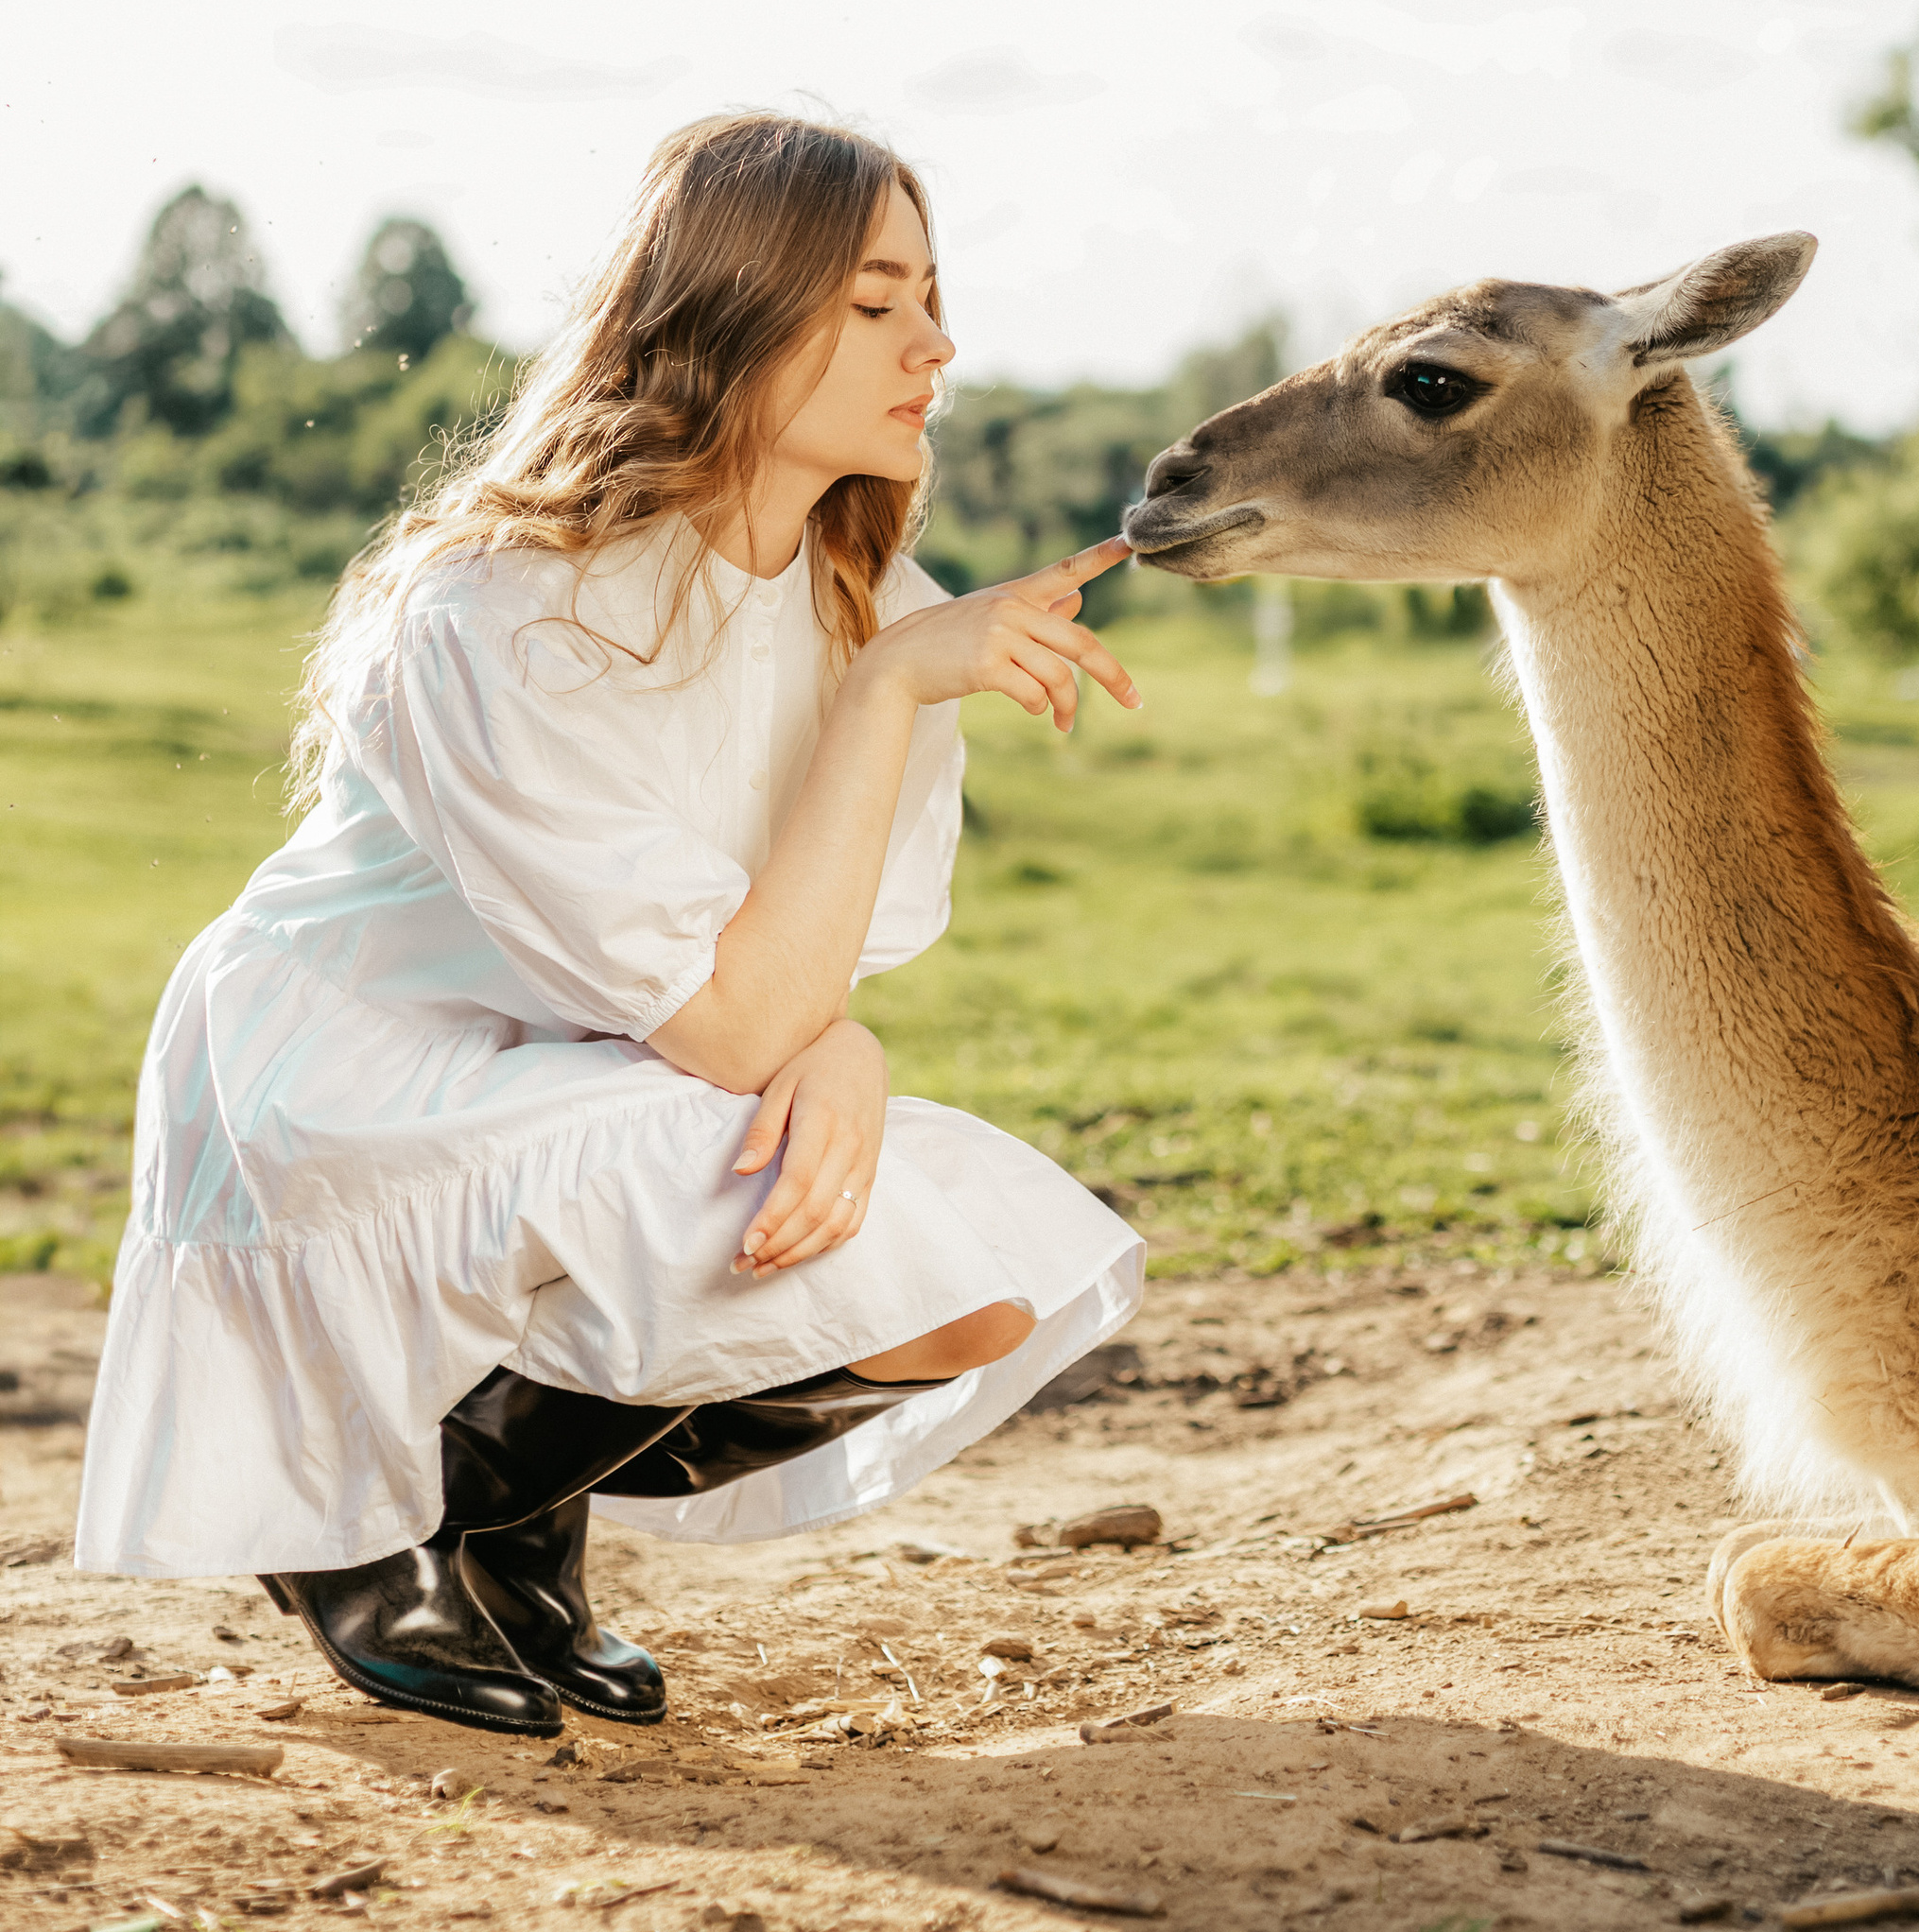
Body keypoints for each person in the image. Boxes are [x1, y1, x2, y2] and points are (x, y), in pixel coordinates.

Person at [75, 113, 1146, 1739]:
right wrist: (881, 703)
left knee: (971, 1287)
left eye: (931, 297)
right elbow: (729, 1023)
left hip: (608, 1061)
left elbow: (781, 979)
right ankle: (365, 1521)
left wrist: (843, 1047)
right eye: (875, 302)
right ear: (729, 313)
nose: (935, 343)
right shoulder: (505, 606)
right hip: (355, 1068)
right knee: (790, 1191)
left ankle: (490, 1510)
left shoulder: (883, 612)